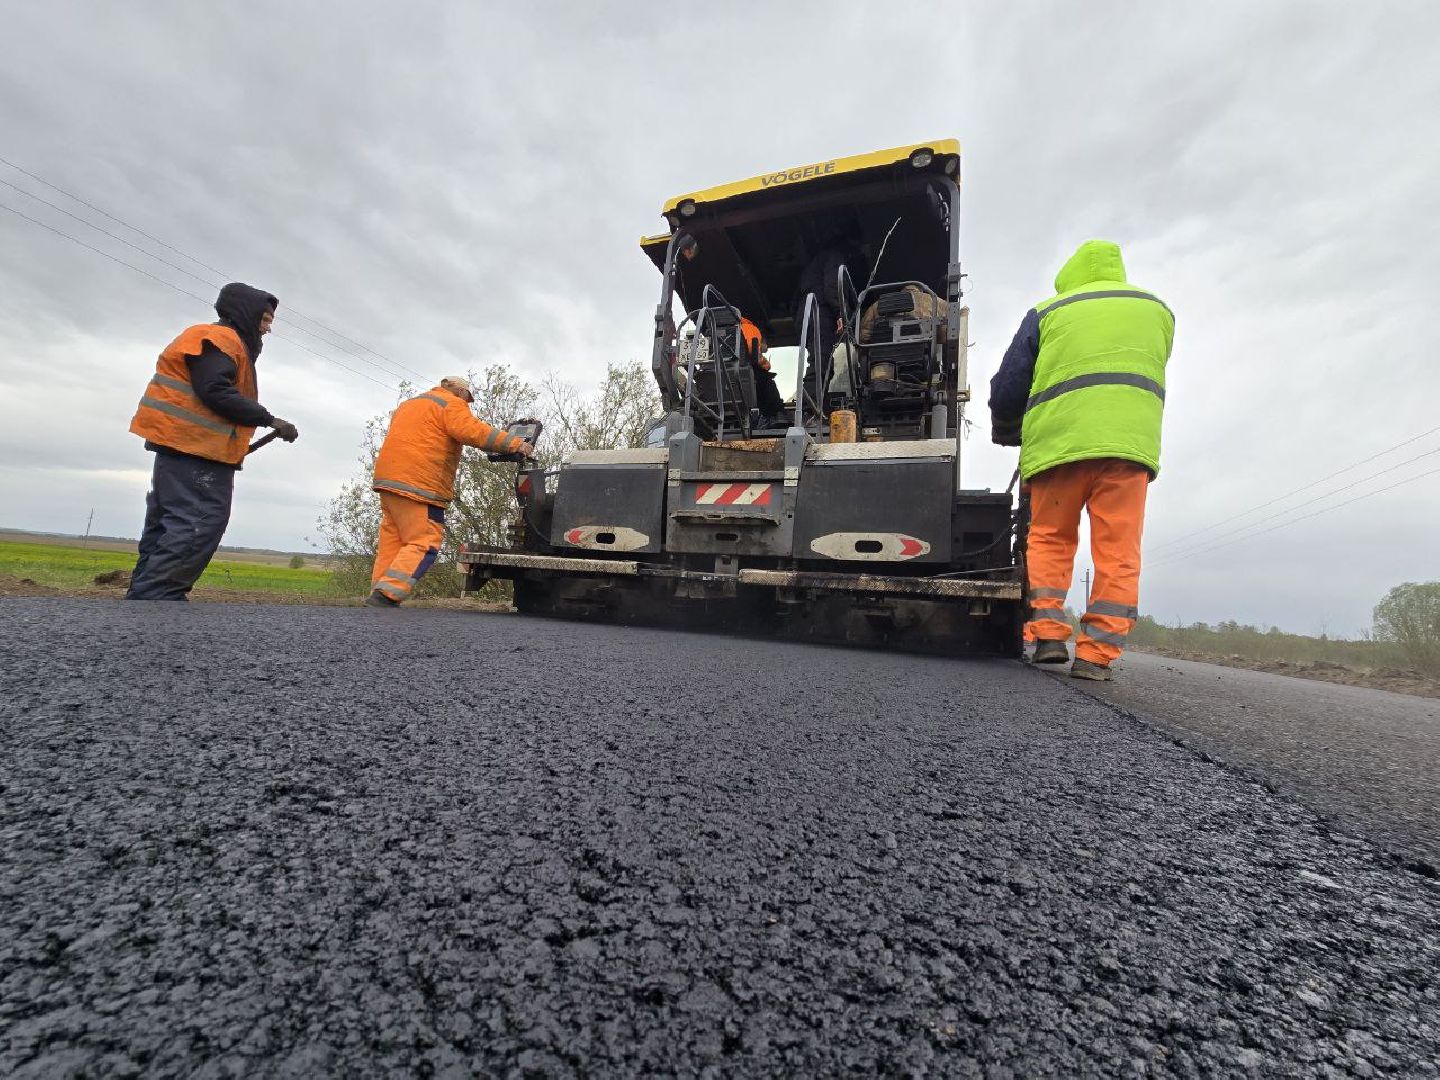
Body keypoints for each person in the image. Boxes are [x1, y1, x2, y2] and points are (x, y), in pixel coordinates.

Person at [989, 240, 1175, 681]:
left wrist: (1007, 430)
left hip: (1059, 446)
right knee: (1118, 550)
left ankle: (1049, 637)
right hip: (1128, 449)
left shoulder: (1049, 311)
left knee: (1050, 537)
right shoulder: (1157, 311)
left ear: (1070, 274)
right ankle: (1096, 656)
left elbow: (1010, 384)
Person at [126, 283, 300, 600]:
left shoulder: (221, 342)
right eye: (264, 320)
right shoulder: (219, 340)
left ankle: (146, 597)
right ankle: (157, 596)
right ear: (244, 314)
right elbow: (215, 390)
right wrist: (269, 419)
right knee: (198, 521)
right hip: (194, 450)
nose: (267, 329)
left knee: (169, 523)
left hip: (187, 448)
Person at [367, 376, 535, 607]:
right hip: (420, 484)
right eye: (468, 397)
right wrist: (515, 444)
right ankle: (387, 595)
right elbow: (473, 431)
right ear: (458, 391)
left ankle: (378, 593)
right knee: (423, 541)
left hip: (389, 481)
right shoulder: (450, 404)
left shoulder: (409, 405)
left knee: (394, 540)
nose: (468, 402)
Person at [739, 315, 786, 425]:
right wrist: (766, 364)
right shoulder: (751, 328)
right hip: (745, 372)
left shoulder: (717, 329)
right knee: (767, 381)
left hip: (725, 376)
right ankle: (777, 415)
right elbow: (752, 349)